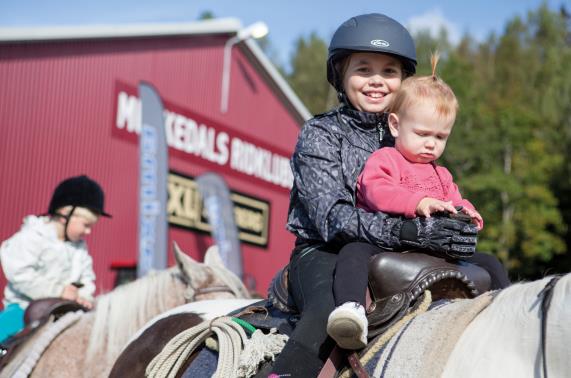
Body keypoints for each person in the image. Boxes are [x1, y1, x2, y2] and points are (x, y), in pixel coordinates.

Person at [265, 13, 508, 378]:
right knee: (324, 317)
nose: (377, 81)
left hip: (402, 252)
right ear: (341, 75)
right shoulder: (320, 134)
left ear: (403, 82)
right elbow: (332, 218)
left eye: (389, 72)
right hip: (328, 251)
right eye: (364, 69)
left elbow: (441, 194)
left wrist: (457, 228)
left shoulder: (414, 137)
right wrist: (408, 232)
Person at [326, 54, 488, 350]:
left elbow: (455, 201)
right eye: (423, 134)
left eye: (441, 137)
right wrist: (418, 201)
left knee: (488, 262)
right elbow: (376, 191)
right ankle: (350, 311)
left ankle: (500, 306)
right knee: (352, 252)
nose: (431, 144)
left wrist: (467, 212)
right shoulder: (385, 159)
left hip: (433, 248)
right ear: (396, 125)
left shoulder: (441, 173)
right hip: (388, 242)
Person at [0, 175, 110, 343]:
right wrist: (59, 291)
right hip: (23, 307)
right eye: (86, 225)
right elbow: (20, 275)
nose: (88, 232)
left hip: (63, 311)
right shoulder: (31, 237)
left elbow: (87, 279)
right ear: (64, 215)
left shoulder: (79, 249)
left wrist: (84, 296)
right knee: (3, 331)